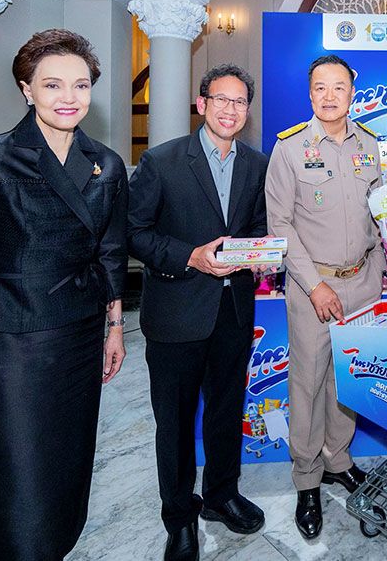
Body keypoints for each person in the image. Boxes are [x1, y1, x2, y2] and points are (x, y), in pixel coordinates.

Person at [0, 28, 128, 560]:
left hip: (79, 343)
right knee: (15, 487)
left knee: (66, 476)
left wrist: (114, 329)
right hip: (9, 351)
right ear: (26, 89)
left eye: (80, 85)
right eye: (53, 84)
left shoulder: (105, 163)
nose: (69, 97)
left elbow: (109, 255)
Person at [128, 64, 269, 561]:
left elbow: (257, 227)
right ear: (202, 103)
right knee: (175, 421)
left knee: (227, 410)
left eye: (240, 102)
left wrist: (259, 251)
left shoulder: (256, 164)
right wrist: (191, 256)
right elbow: (134, 233)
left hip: (233, 311)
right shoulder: (162, 161)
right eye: (221, 99)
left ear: (247, 110)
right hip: (176, 312)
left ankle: (221, 495)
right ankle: (179, 517)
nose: (230, 109)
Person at [265, 54, 384, 540]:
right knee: (309, 383)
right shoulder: (290, 148)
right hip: (313, 286)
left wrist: (381, 267)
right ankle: (307, 478)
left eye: (339, 87)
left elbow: (379, 212)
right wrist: (314, 285)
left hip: (364, 283)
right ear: (310, 93)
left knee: (349, 379)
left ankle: (338, 460)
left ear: (352, 93)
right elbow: (279, 224)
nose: (330, 96)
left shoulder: (369, 145)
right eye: (320, 87)